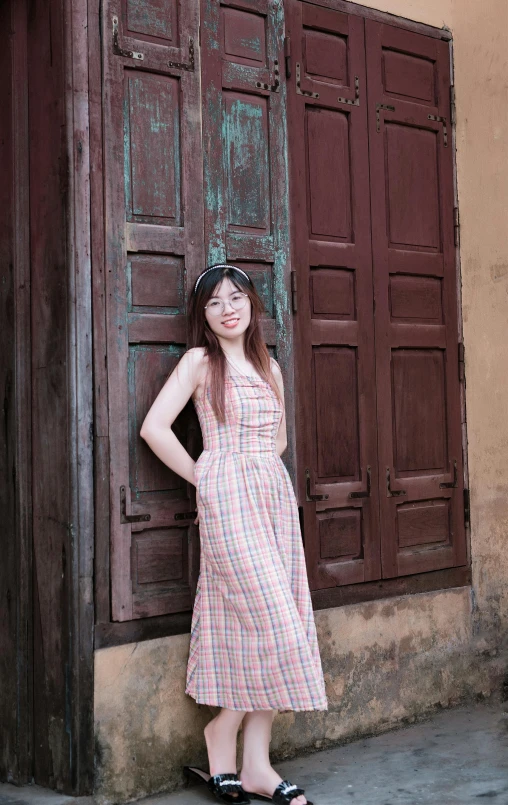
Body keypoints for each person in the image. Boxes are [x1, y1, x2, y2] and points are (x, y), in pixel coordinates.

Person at [140, 264, 327, 805]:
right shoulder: (201, 363)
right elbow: (154, 428)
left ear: (252, 306)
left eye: (237, 297)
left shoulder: (272, 369)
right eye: (215, 301)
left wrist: (260, 478)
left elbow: (279, 440)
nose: (228, 308)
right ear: (204, 316)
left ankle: (254, 766)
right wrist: (209, 477)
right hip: (227, 501)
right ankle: (221, 731)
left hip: (270, 503)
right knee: (279, 626)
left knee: (264, 625)